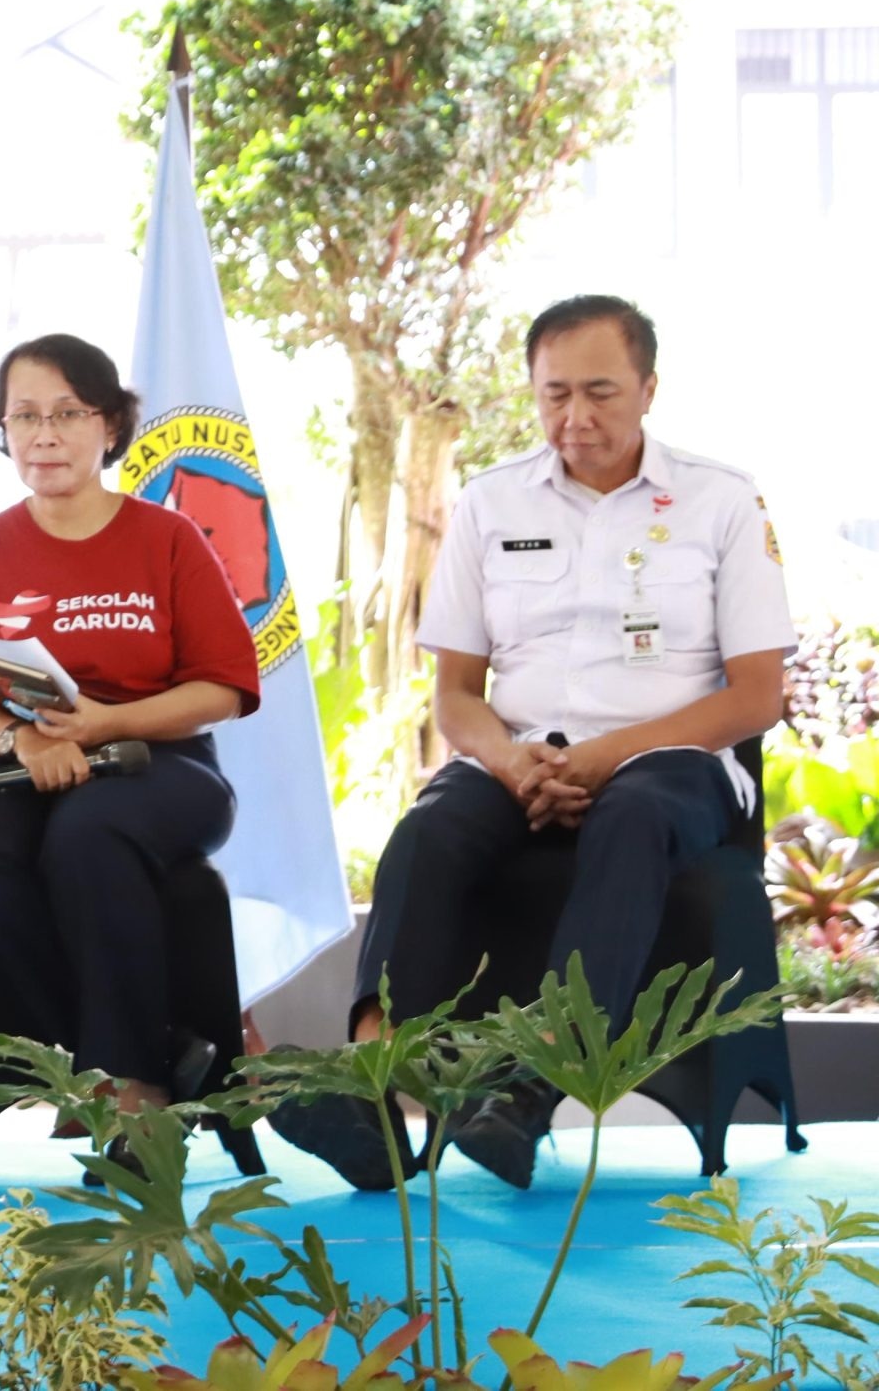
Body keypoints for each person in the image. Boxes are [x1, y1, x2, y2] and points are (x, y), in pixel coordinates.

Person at [273, 295, 792, 1190]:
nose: (575, 419)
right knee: (427, 832)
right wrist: (513, 763)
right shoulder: (491, 501)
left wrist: (606, 755)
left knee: (631, 812)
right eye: (555, 395)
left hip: (677, 763)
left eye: (600, 393)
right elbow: (457, 696)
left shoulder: (721, 500)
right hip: (519, 756)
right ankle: (374, 1081)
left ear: (649, 389)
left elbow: (757, 695)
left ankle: (528, 1082)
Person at [0, 333, 261, 1128]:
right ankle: (128, 1056)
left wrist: (111, 720)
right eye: (24, 416)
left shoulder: (169, 540)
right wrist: (19, 739)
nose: (44, 434)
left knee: (89, 833)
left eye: (67, 413)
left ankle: (129, 1086)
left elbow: (226, 686)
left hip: (158, 763)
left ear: (110, 425)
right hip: (20, 758)